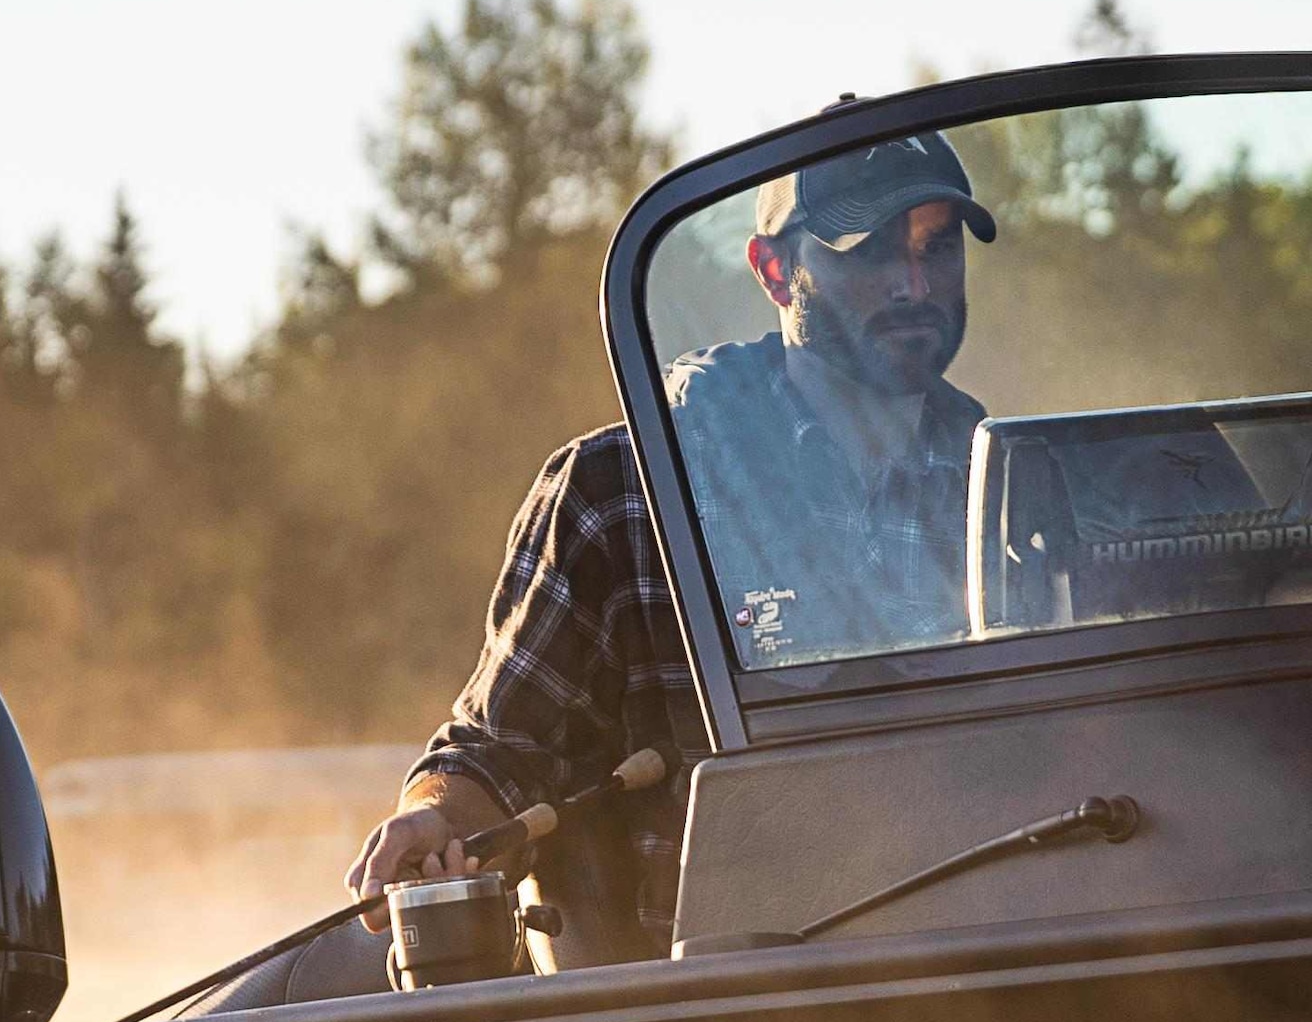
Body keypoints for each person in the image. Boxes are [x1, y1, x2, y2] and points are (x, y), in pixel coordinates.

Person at [348, 129, 998, 901]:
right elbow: (499, 754)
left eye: (938, 247)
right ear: (775, 272)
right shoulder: (624, 489)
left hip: (984, 948)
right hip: (714, 996)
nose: (916, 285)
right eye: (870, 251)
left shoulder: (1008, 483)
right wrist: (436, 819)